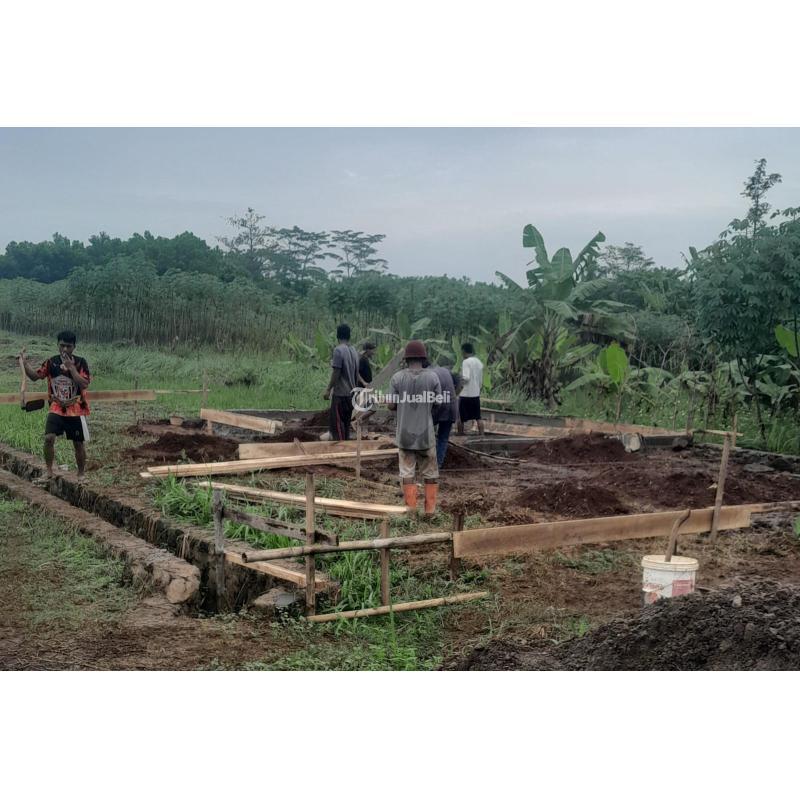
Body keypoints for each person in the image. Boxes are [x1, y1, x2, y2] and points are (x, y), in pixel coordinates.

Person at [19, 330, 91, 482]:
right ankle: (49, 471)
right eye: (62, 345)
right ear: (57, 345)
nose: (65, 349)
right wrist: (24, 363)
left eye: (68, 346)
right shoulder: (51, 362)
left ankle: (81, 474)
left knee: (78, 443)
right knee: (48, 438)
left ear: (74, 347)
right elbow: (35, 376)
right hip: (56, 406)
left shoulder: (81, 362)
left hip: (75, 408)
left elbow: (84, 384)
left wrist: (71, 368)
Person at [387, 340, 442, 515]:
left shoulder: (397, 378)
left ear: (406, 358)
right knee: (431, 472)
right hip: (426, 435)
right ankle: (430, 511)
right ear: (423, 358)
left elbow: (390, 405)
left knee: (407, 472)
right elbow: (438, 403)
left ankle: (410, 511)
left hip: (405, 435)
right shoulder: (433, 377)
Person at [323, 323, 360, 440]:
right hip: (351, 395)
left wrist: (328, 389)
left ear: (337, 336)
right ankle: (347, 446)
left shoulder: (338, 350)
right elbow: (356, 373)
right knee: (346, 425)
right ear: (349, 336)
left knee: (338, 427)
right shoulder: (354, 351)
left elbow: (336, 372)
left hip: (341, 395)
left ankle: (341, 448)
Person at [430, 355, 458, 468]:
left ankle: (427, 461)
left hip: (439, 407)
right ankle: (438, 464)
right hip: (451, 406)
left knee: (427, 433)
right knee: (443, 437)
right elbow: (459, 380)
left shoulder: (428, 374)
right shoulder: (445, 371)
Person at [457, 342, 484, 436]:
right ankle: (481, 434)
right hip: (475, 393)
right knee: (478, 417)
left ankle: (460, 434)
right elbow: (480, 380)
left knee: (461, 417)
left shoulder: (466, 362)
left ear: (464, 351)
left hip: (465, 394)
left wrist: (459, 382)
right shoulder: (479, 362)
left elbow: (466, 377)